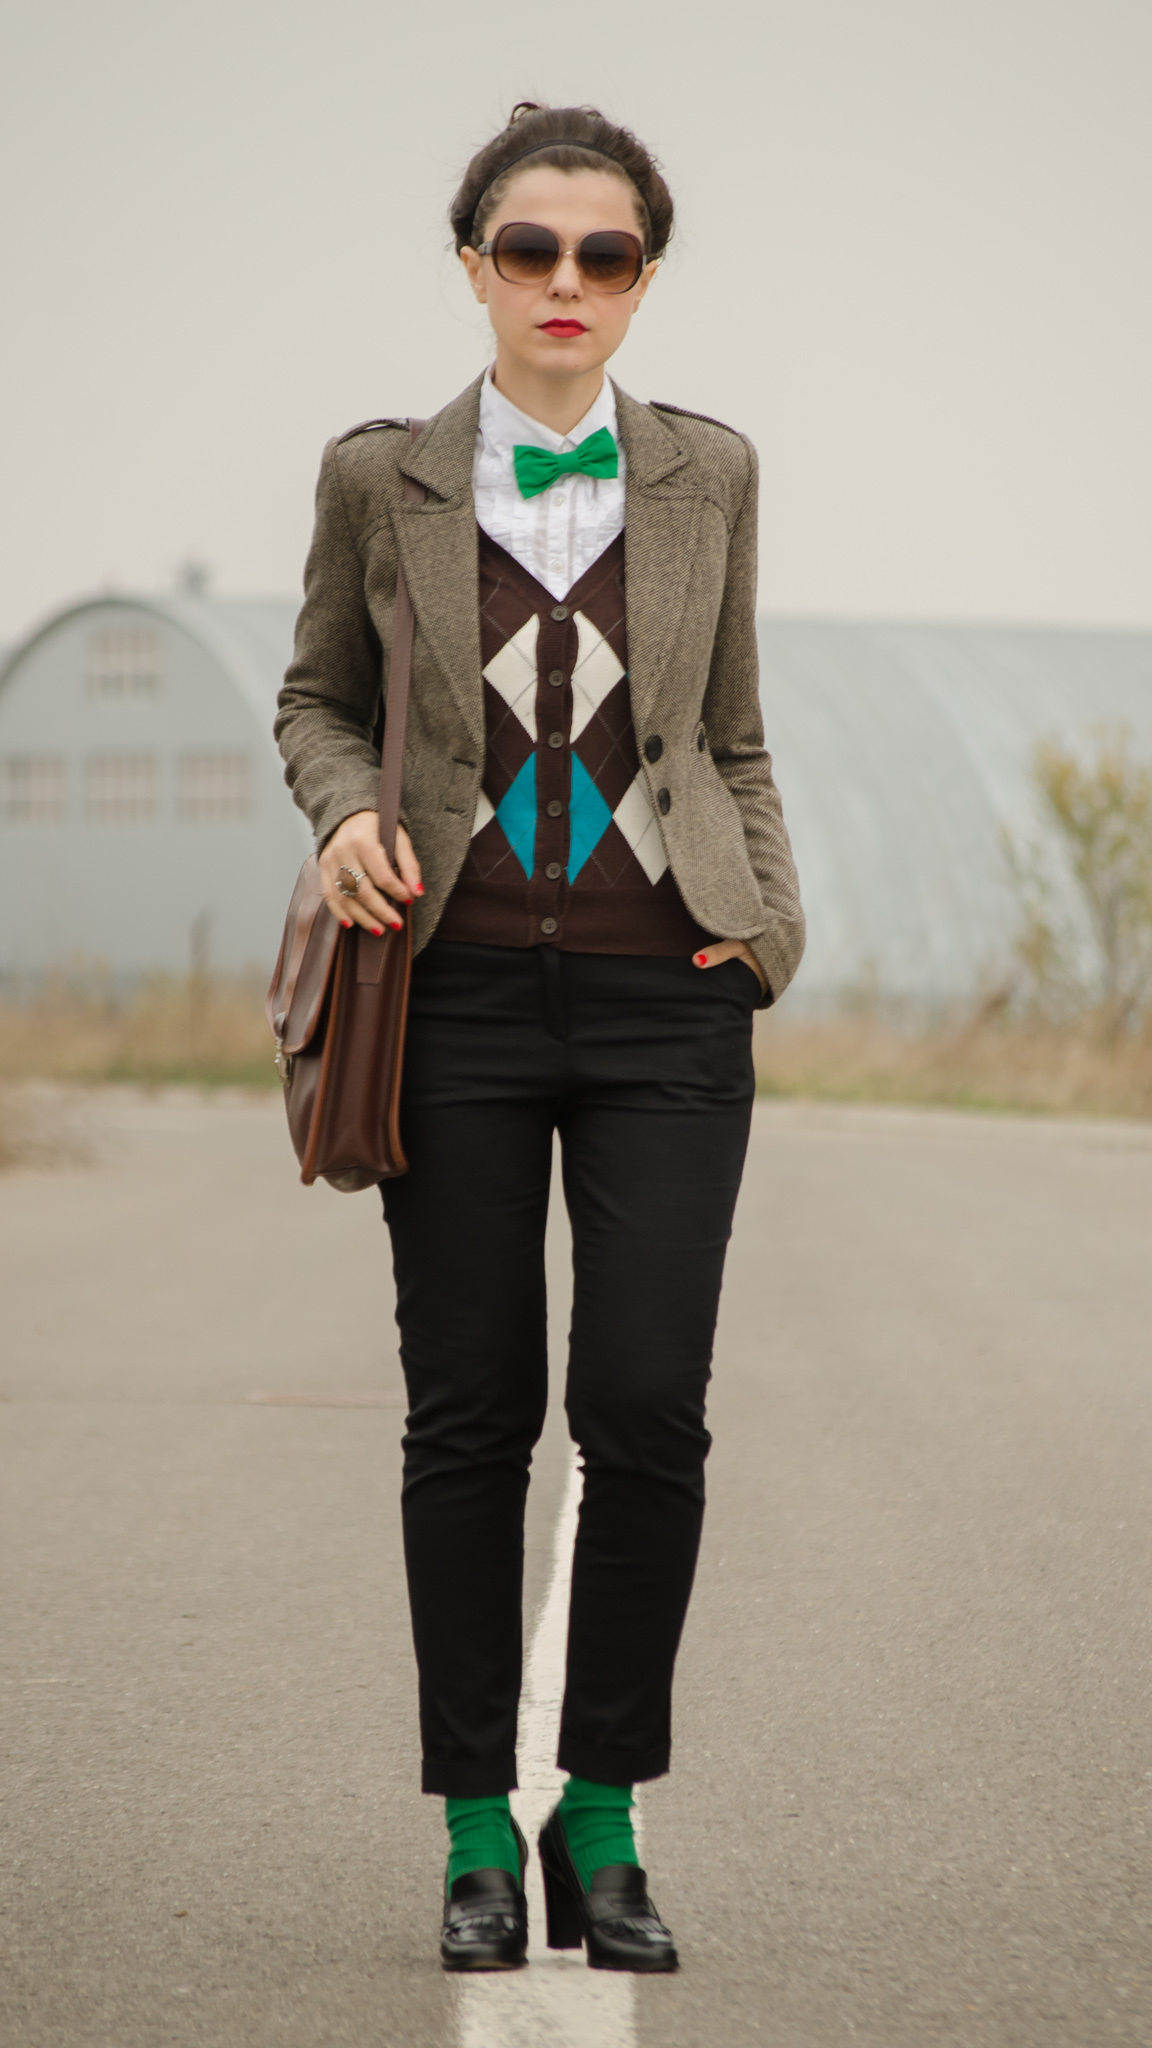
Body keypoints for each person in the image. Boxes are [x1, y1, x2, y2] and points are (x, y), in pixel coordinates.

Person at [275, 101, 804, 1974]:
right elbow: (318, 698)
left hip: (673, 996)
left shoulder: (711, 475)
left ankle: (605, 1813)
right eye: (529, 248)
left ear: (646, 276)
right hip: (457, 996)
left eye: (604, 254)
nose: (564, 282)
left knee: (649, 1408)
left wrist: (762, 933)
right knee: (472, 1417)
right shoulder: (379, 479)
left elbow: (726, 727)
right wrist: (344, 811)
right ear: (475, 264)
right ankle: (473, 1829)